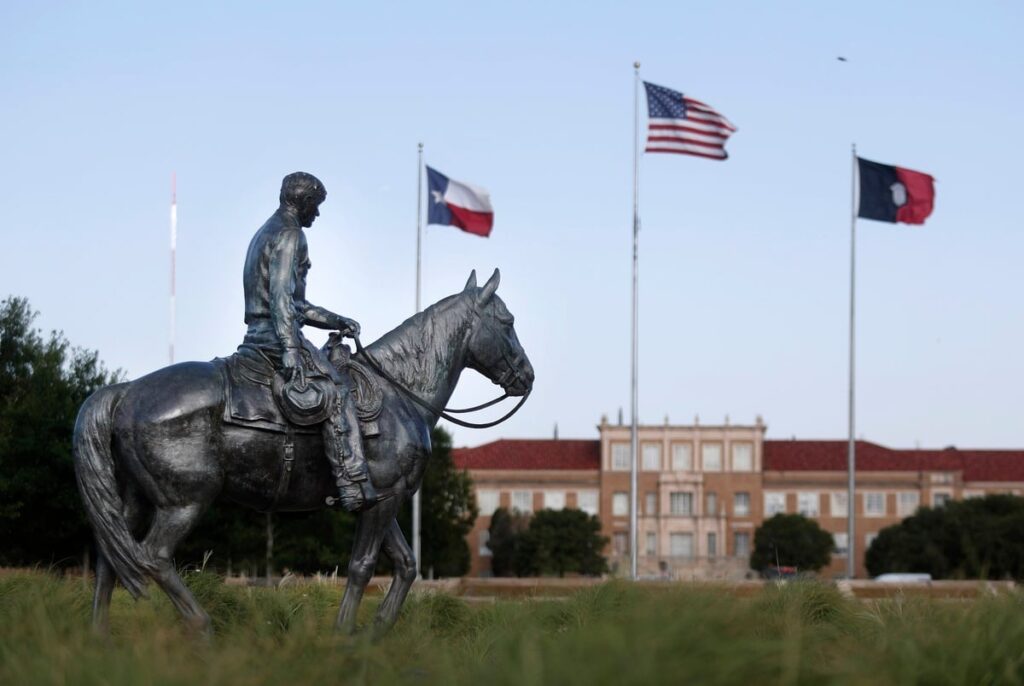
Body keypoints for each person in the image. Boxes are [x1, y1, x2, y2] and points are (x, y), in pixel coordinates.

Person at [240, 171, 377, 512]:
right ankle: (350, 483)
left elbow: (295, 303)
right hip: (275, 336)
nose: (317, 214)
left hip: (263, 330)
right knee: (337, 390)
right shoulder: (290, 235)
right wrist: (289, 348)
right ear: (302, 203)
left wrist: (335, 320)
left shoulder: (266, 231)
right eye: (315, 206)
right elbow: (284, 301)